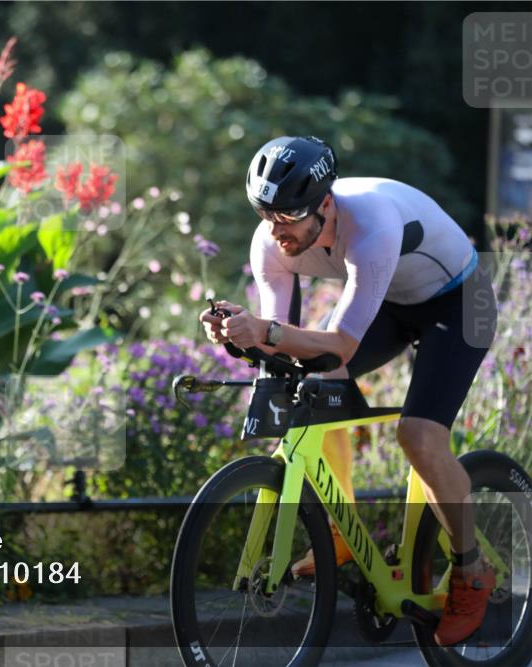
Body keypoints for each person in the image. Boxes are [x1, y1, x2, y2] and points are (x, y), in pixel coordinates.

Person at [200, 136, 497, 647]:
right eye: (266, 214)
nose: (277, 230)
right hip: (392, 302)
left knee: (420, 437)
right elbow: (285, 344)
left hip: (457, 304)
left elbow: (337, 345)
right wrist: (237, 336)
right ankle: (342, 532)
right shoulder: (270, 241)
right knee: (311, 384)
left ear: (326, 204)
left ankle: (473, 569)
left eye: (289, 216)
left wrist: (266, 332)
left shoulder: (372, 224)